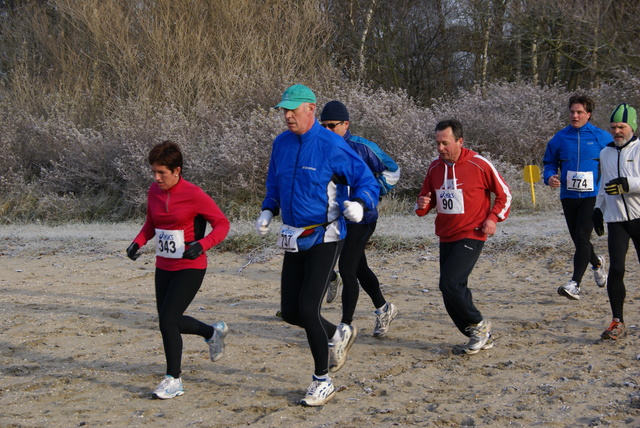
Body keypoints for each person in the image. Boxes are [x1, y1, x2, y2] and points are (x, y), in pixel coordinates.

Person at [255, 84, 379, 406]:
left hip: (326, 234)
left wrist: (361, 204)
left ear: (310, 109)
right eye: (284, 110)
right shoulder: (280, 144)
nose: (287, 115)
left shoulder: (330, 144)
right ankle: (338, 334)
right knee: (292, 311)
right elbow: (274, 182)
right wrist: (269, 208)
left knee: (310, 307)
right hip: (293, 235)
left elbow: (366, 179)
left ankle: (322, 380)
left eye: (293, 110)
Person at [126, 140, 231, 399]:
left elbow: (222, 224)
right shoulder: (154, 191)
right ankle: (212, 332)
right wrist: (138, 241)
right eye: (154, 172)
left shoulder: (194, 194)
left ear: (177, 171)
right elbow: (151, 222)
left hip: (190, 265)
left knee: (168, 320)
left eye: (162, 172)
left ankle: (174, 379)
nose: (156, 177)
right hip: (164, 264)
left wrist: (203, 244)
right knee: (168, 321)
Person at [415, 119, 511, 354]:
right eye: (437, 143)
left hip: (473, 232)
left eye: (445, 143)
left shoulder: (479, 164)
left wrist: (493, 218)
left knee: (451, 282)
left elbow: (504, 194)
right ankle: (476, 334)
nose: (440, 149)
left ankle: (479, 324)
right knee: (448, 289)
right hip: (446, 235)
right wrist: (423, 204)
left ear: (460, 141)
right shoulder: (434, 168)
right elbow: (426, 200)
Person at [320, 100, 400, 337]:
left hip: (363, 219)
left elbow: (393, 169)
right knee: (359, 267)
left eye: (332, 126)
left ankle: (345, 326)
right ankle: (384, 308)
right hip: (338, 220)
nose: (327, 130)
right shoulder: (321, 147)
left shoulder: (361, 147)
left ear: (346, 124)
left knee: (347, 268)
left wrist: (373, 193)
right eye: (322, 125)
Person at [543, 94, 612, 300]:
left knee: (582, 236)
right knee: (578, 239)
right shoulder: (560, 138)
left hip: (592, 195)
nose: (575, 115)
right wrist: (550, 178)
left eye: (580, 112)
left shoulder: (601, 137)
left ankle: (575, 284)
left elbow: (614, 160)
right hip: (569, 195)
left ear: (588, 114)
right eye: (572, 111)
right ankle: (597, 263)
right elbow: (549, 162)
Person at [593, 103, 639, 340]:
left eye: (622, 126)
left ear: (632, 126)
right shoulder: (605, 152)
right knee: (617, 270)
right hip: (617, 219)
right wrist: (598, 209)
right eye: (613, 127)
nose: (617, 131)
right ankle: (617, 321)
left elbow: (629, 183)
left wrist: (628, 185)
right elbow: (603, 184)